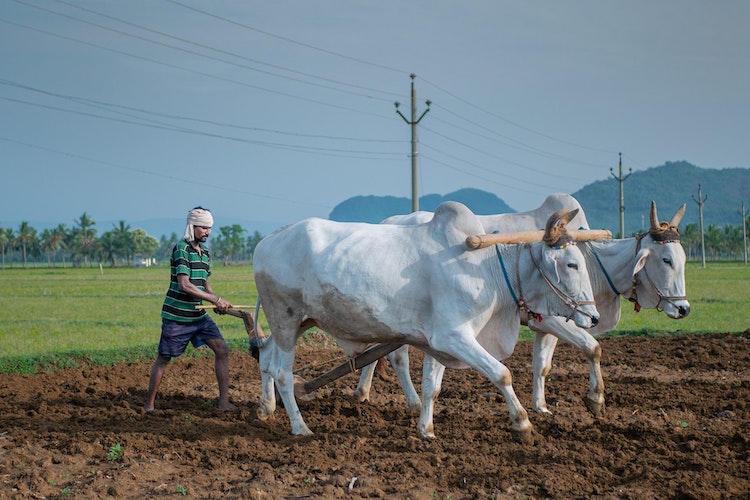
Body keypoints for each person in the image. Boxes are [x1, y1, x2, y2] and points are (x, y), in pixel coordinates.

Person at [144, 207, 237, 412]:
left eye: (210, 228)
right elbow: (185, 285)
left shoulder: (204, 253)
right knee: (164, 358)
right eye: (204, 228)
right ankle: (149, 405)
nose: (208, 232)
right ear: (192, 226)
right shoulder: (182, 249)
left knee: (222, 349)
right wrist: (215, 299)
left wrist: (215, 302)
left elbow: (203, 283)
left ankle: (223, 402)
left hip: (198, 316)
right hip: (177, 316)